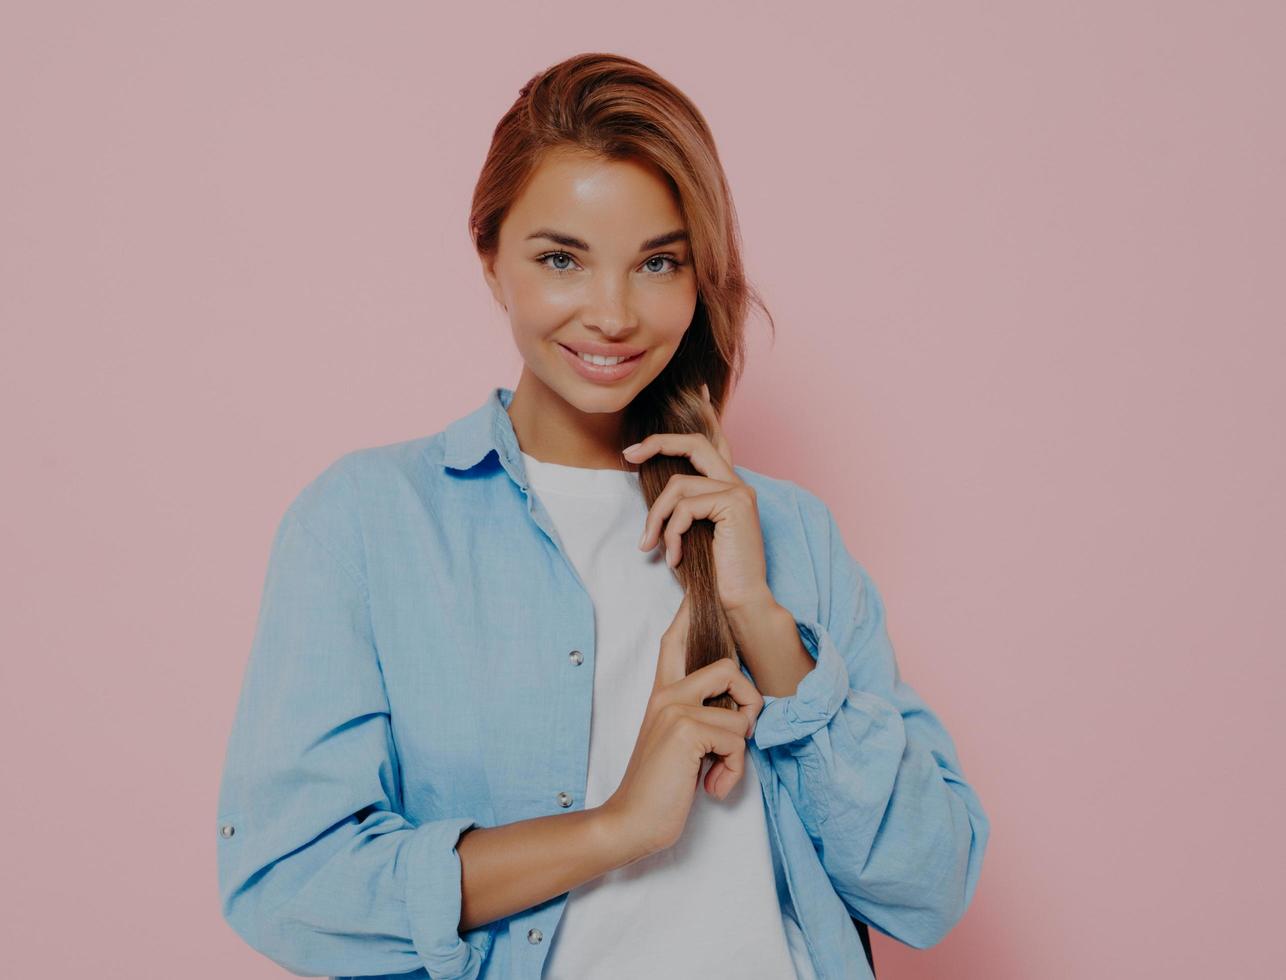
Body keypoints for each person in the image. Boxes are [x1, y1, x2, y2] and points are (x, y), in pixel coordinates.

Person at [215, 52, 989, 980]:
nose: (614, 314)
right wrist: (618, 827)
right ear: (491, 261)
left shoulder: (792, 534)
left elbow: (931, 889)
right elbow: (290, 885)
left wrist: (767, 629)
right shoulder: (371, 523)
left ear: (700, 276)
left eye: (658, 261)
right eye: (561, 259)